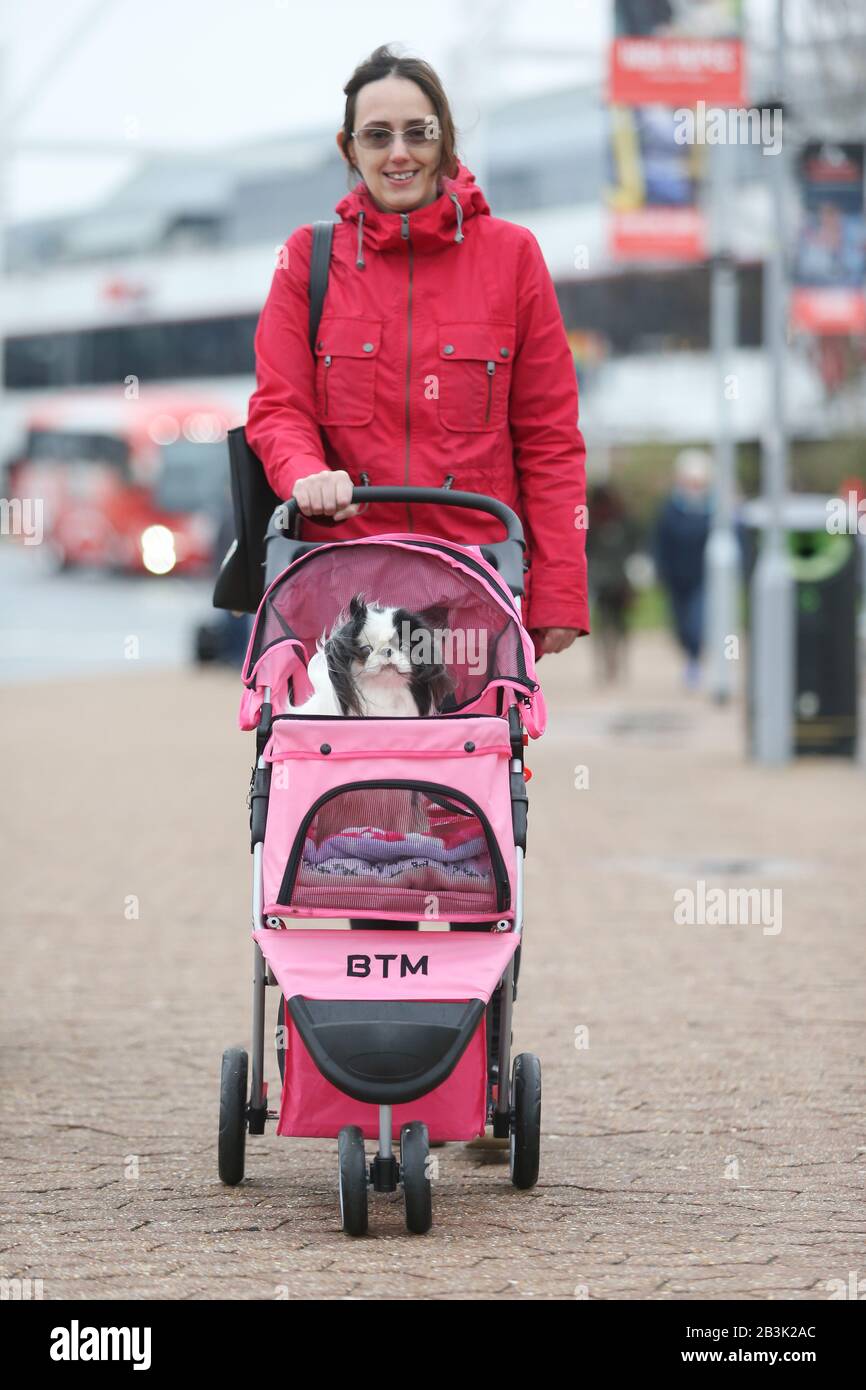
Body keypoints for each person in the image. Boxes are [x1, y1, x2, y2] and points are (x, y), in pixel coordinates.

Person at [244, 42, 589, 661]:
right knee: (336, 761)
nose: (398, 153)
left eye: (418, 132)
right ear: (349, 149)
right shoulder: (307, 260)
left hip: (473, 598)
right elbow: (279, 410)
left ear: (445, 141)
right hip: (337, 595)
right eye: (377, 136)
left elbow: (549, 438)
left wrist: (560, 591)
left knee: (468, 760)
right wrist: (306, 475)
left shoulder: (513, 257)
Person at [653, 448, 713, 689]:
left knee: (697, 622)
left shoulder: (715, 509)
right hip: (676, 577)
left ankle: (695, 660)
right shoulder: (670, 509)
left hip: (703, 577)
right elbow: (659, 541)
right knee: (679, 624)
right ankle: (689, 655)